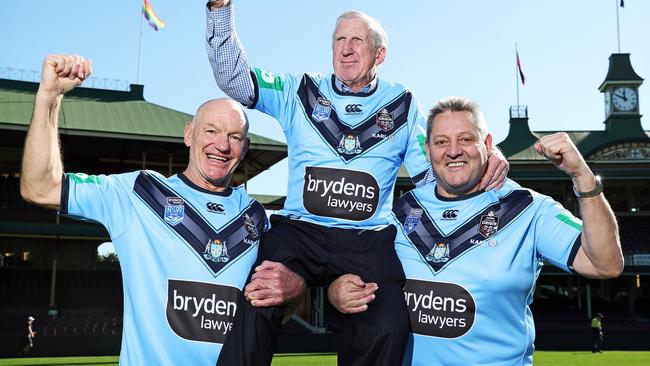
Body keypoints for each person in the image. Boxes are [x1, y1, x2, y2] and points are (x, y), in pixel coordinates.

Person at [205, 3, 509, 365]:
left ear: (380, 54)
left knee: (389, 326)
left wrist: (486, 157)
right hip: (299, 232)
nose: (346, 48)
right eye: (339, 40)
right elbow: (234, 79)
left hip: (366, 239)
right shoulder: (299, 90)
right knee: (260, 297)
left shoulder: (403, 103)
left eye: (358, 41)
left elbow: (435, 173)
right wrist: (219, 9)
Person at [20, 54, 304, 366]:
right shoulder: (138, 193)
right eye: (211, 131)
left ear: (245, 148)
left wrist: (295, 290)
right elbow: (39, 186)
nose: (222, 145)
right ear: (188, 134)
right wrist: (49, 97)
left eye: (234, 137)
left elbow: (278, 303)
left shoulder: (257, 218)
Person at [328, 97, 624, 365]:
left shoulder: (530, 209)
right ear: (428, 149)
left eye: (466, 139)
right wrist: (335, 292)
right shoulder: (400, 211)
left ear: (488, 144)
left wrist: (581, 175)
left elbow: (605, 264)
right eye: (442, 142)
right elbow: (354, 277)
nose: (453, 150)